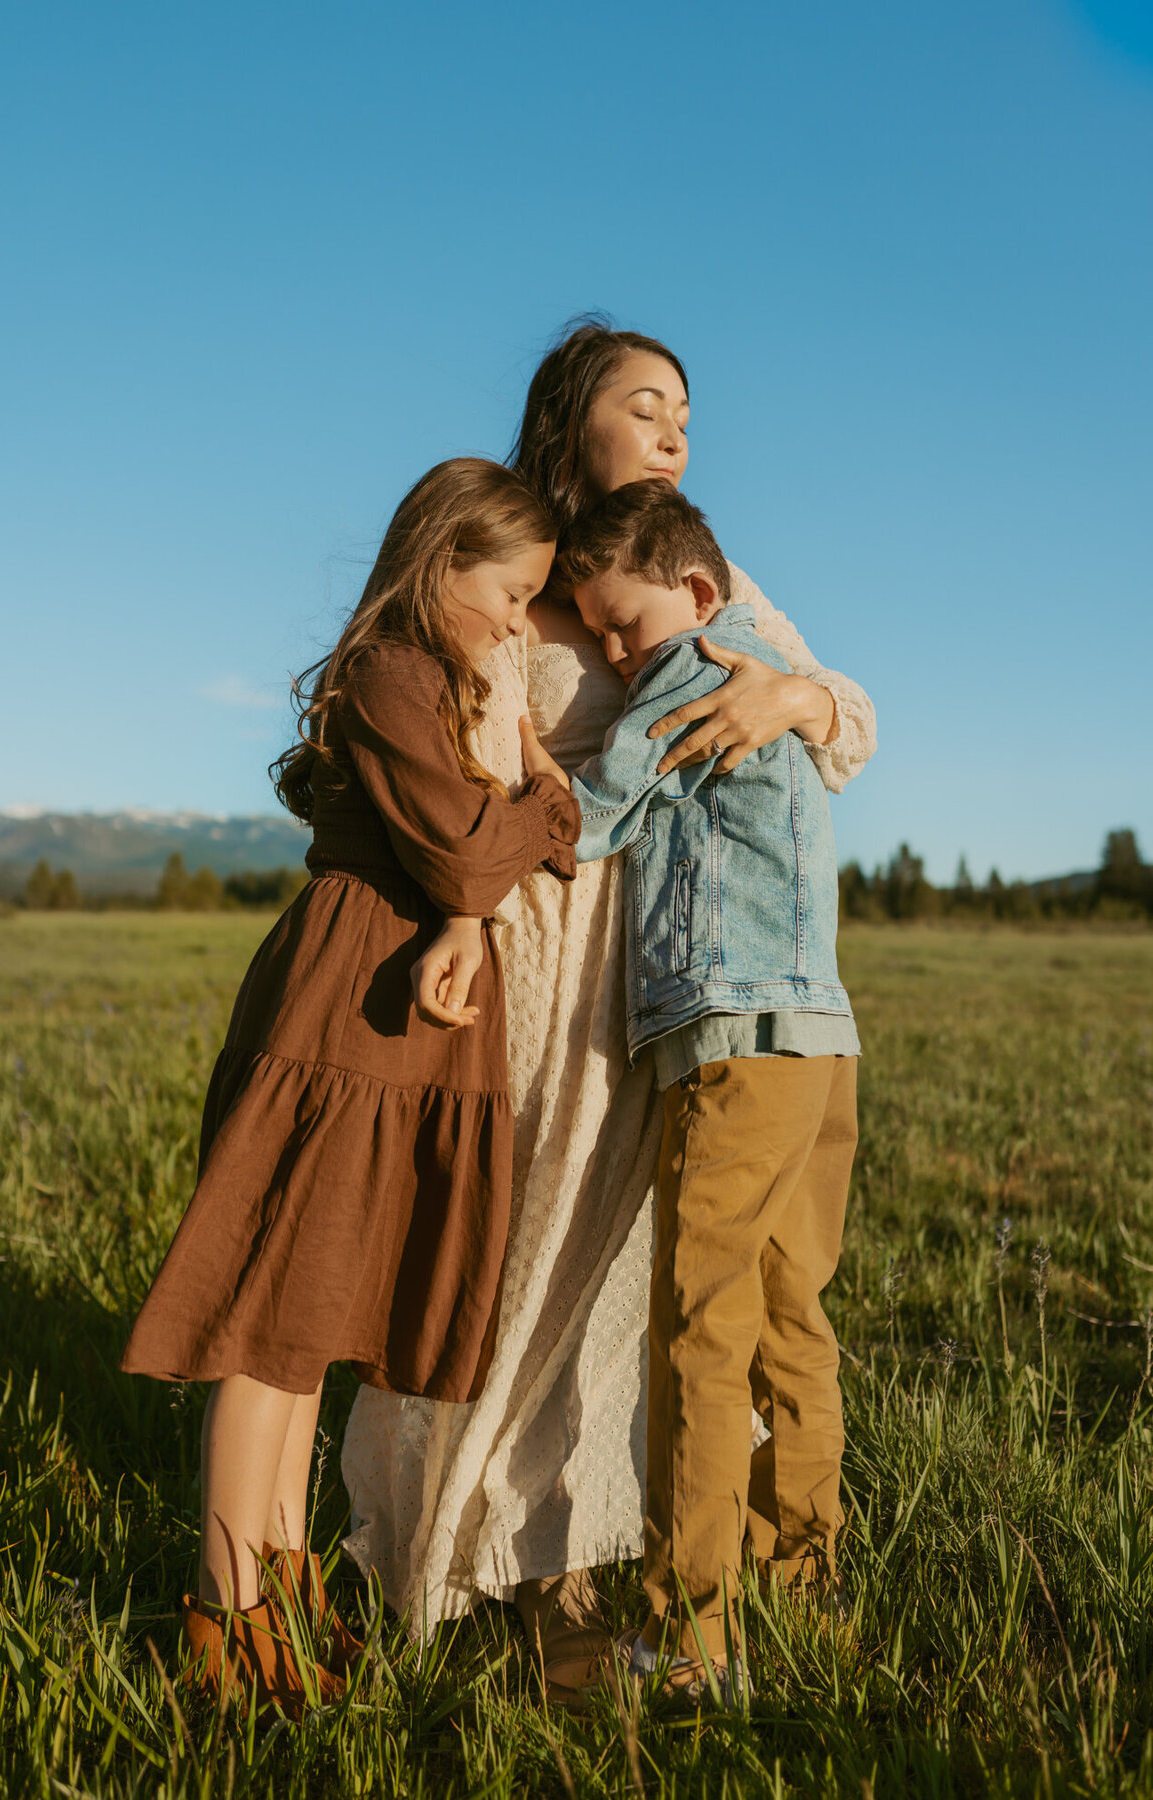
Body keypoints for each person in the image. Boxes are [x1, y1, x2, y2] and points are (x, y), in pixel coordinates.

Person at [342, 319, 876, 1705]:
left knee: (650, 1284)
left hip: (667, 979)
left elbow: (857, 723)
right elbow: (453, 737)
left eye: (687, 407)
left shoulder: (706, 569)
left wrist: (799, 692)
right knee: (507, 1250)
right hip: (531, 948)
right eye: (645, 402)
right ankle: (476, 1554)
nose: (677, 423)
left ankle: (606, 1563)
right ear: (571, 416)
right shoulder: (511, 559)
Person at [121, 457, 580, 1717]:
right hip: (347, 997)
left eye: (537, 596)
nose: (517, 619)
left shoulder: (457, 686)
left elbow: (539, 838)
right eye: (509, 590)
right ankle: (225, 1619)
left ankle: (277, 1586)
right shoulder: (395, 674)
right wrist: (528, 784)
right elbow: (474, 860)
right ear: (442, 565)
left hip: (408, 1020)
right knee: (268, 1330)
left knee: (314, 1327)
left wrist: (525, 792)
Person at [524, 479, 859, 1699]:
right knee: (788, 1319)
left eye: (624, 627)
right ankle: (803, 1581)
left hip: (732, 1036)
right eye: (600, 637)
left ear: (700, 593)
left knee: (700, 1332)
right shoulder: (780, 673)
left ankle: (689, 1635)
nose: (614, 655)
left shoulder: (694, 671)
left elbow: (588, 818)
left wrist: (514, 747)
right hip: (821, 1037)